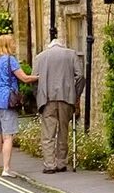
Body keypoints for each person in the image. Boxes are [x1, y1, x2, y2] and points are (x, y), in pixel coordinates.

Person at [34, 27, 86, 171]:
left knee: (48, 134)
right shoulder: (71, 55)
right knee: (63, 130)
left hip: (47, 99)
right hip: (66, 98)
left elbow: (34, 80)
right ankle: (61, 162)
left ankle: (49, 164)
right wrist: (76, 95)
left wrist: (37, 97)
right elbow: (80, 76)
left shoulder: (40, 57)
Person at [0, 31, 33, 176]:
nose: (15, 45)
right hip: (6, 100)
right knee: (7, 136)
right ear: (8, 45)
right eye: (13, 43)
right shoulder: (10, 60)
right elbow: (24, 78)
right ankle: (6, 169)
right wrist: (39, 77)